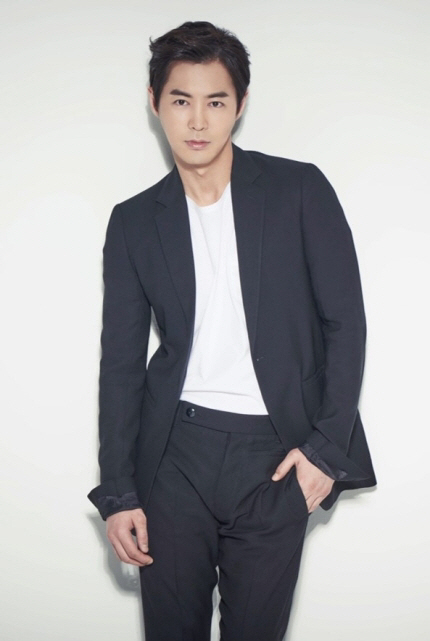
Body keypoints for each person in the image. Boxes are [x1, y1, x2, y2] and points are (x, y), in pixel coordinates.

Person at [88, 20, 377, 641]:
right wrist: (119, 492)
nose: (198, 121)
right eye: (181, 101)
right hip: (173, 457)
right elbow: (120, 365)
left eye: (215, 102)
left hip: (275, 457)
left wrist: (324, 452)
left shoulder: (300, 190)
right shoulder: (134, 222)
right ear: (154, 102)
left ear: (240, 105)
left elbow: (345, 323)